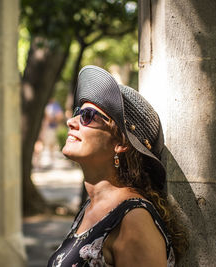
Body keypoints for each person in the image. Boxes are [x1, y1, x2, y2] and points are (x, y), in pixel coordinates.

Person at [47, 66, 187, 267]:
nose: (71, 121)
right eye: (78, 112)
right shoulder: (92, 207)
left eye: (88, 116)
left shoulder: (134, 221)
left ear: (121, 143)